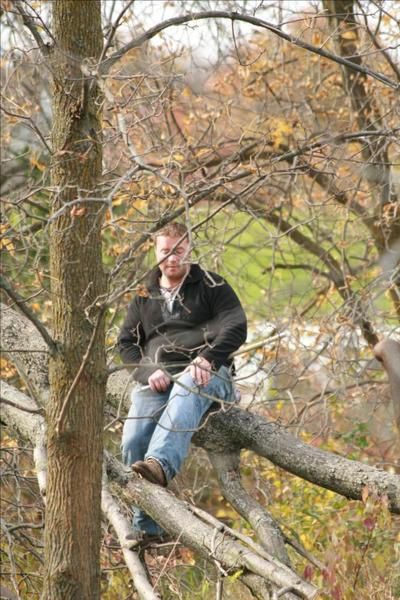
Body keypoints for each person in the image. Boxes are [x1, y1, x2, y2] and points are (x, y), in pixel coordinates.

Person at [118, 222, 247, 545]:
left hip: (209, 374)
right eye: (165, 251)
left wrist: (209, 357)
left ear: (188, 248)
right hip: (159, 379)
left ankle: (161, 464)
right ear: (155, 251)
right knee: (133, 439)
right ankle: (147, 527)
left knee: (188, 383)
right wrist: (149, 371)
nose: (172, 258)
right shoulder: (143, 295)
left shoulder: (212, 285)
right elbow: (126, 345)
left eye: (178, 250)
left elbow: (237, 327)